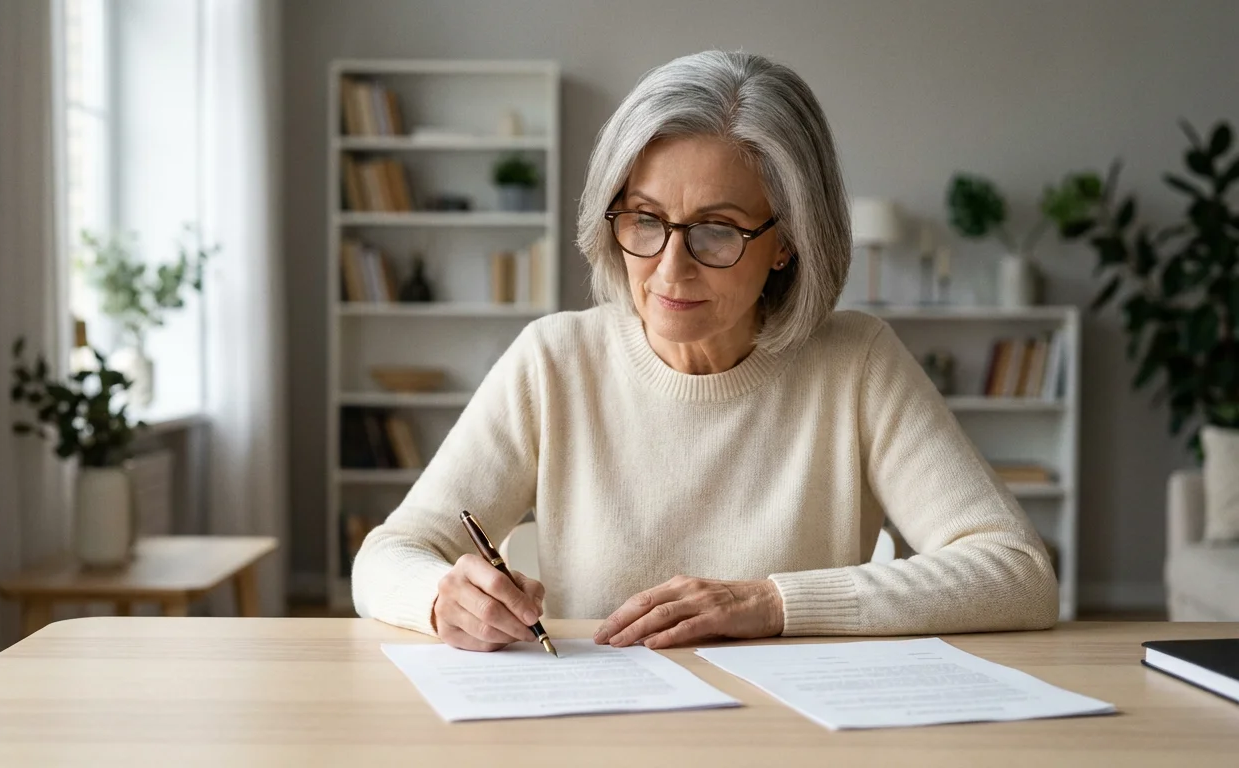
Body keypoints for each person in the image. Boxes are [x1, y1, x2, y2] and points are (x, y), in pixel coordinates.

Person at [352, 50, 1058, 652]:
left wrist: (773, 604)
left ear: (788, 241)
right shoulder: (554, 361)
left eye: (717, 230)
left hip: (794, 737)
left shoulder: (858, 362)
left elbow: (1016, 572)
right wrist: (445, 599)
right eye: (646, 220)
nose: (668, 269)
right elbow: (387, 555)